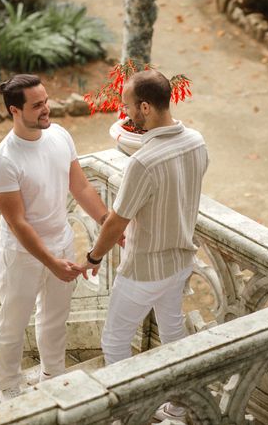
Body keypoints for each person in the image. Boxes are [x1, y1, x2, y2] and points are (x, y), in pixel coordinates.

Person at [79, 69, 209, 421]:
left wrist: (93, 257)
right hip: (181, 262)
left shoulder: (143, 162)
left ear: (146, 107)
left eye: (129, 107)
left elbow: (116, 222)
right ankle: (180, 405)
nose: (126, 114)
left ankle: (130, 413)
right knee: (172, 331)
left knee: (115, 341)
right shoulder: (197, 141)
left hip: (144, 270)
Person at [0, 74, 109, 400]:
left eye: (46, 100)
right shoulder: (3, 161)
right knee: (13, 324)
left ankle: (53, 375)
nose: (46, 109)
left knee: (55, 319)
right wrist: (51, 262)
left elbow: (80, 186)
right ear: (15, 110)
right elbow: (18, 224)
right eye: (37, 105)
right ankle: (10, 390)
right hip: (22, 254)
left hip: (63, 241)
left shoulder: (60, 135)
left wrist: (108, 223)